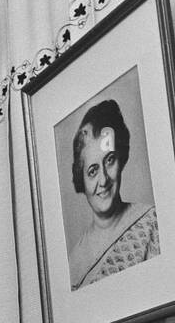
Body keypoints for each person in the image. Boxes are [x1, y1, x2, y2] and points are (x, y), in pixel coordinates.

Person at [67, 98, 160, 290]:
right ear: (81, 179)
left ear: (121, 157)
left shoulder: (152, 222)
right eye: (92, 171)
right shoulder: (74, 261)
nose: (103, 180)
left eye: (109, 160)